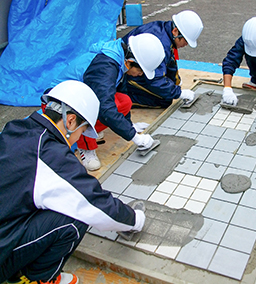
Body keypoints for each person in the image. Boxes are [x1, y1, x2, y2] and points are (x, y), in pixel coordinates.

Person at [0, 81, 146, 284]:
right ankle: (40, 278)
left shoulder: (17, 128)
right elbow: (93, 203)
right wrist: (135, 220)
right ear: (70, 121)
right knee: (73, 217)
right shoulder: (49, 155)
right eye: (82, 130)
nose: (79, 137)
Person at [52, 33, 165, 171]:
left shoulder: (119, 58)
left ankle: (91, 131)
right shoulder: (105, 67)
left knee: (124, 101)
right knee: (101, 110)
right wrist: (135, 137)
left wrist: (129, 127)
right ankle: (86, 147)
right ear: (129, 62)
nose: (140, 75)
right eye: (140, 71)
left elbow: (120, 93)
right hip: (60, 104)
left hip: (81, 95)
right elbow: (104, 108)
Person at [118, 10, 203, 108]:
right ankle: (125, 97)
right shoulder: (161, 43)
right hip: (129, 73)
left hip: (139, 68)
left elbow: (170, 62)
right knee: (164, 100)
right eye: (186, 40)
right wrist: (179, 93)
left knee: (168, 89)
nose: (186, 44)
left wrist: (176, 82)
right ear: (175, 31)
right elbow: (155, 80)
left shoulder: (165, 31)